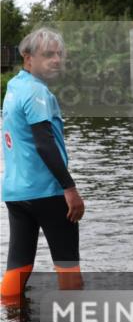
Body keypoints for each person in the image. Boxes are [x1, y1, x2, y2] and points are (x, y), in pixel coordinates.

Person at [1, 28, 85, 304]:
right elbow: (44, 144)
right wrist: (69, 188)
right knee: (67, 263)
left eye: (59, 54)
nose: (56, 60)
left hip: (16, 192)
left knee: (19, 263)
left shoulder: (14, 86)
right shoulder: (37, 92)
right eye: (48, 55)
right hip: (47, 192)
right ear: (28, 58)